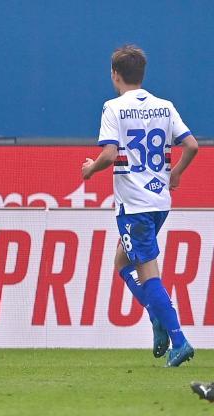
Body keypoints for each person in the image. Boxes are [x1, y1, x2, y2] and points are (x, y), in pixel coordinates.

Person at [81, 45, 198, 367]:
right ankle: (156, 315)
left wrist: (90, 169)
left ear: (114, 74)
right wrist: (175, 173)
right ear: (142, 74)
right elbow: (191, 145)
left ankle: (179, 340)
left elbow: (108, 155)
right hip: (160, 201)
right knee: (122, 260)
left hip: (134, 205)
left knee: (147, 273)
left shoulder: (113, 107)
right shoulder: (165, 106)